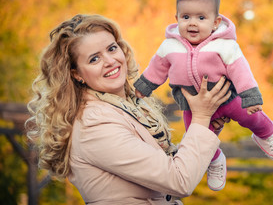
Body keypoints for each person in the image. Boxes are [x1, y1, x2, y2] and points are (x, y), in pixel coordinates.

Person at [25, 14, 232, 204]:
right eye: (94, 59)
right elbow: (179, 181)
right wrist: (201, 117)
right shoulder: (95, 124)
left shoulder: (129, 107)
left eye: (112, 48)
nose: (109, 61)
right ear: (76, 74)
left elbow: (169, 171)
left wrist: (206, 126)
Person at [134, 0, 273, 191]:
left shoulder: (225, 46)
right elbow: (156, 69)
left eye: (201, 17)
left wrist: (250, 97)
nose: (192, 23)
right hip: (191, 105)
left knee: (253, 117)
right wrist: (143, 87)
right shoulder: (169, 46)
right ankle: (215, 160)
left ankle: (266, 134)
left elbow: (241, 71)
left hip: (227, 98)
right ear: (176, 18)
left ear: (215, 22)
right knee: (195, 137)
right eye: (186, 17)